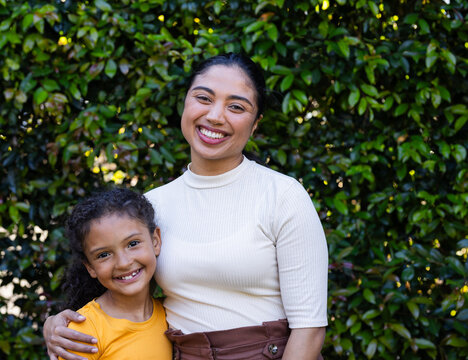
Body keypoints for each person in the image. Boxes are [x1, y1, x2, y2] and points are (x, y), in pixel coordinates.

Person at [44, 53, 328, 360]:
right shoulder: (154, 204)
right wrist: (56, 324)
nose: (216, 116)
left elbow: (309, 328)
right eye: (203, 98)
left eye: (236, 106)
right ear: (186, 103)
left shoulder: (283, 196)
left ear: (255, 123)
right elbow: (123, 285)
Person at [58, 188, 172, 359]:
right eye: (104, 255)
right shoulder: (84, 331)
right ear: (90, 267)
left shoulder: (171, 313)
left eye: (133, 243)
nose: (124, 262)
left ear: (155, 241)